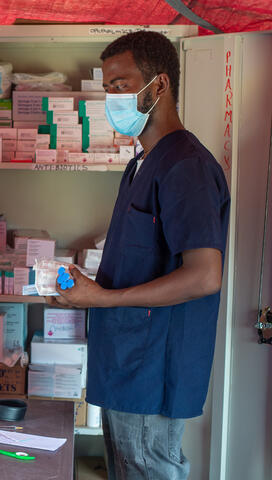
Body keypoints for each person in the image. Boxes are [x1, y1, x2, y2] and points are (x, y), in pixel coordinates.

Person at [49, 32, 230, 479]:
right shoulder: (141, 163)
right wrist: (83, 290)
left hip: (152, 370)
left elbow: (205, 276)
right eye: (107, 87)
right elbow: (140, 259)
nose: (112, 97)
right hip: (127, 362)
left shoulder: (185, 166)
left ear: (159, 86)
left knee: (148, 470)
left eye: (122, 84)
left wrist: (102, 299)